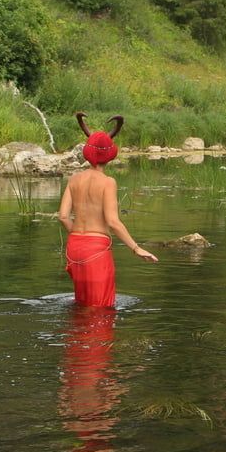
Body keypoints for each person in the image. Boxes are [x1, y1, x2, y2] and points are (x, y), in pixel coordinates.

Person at [59, 112, 157, 308]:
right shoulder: (108, 182)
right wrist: (136, 248)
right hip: (96, 248)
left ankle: (76, 339)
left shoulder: (74, 179)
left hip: (74, 246)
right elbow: (113, 221)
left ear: (87, 153)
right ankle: (100, 340)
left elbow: (62, 216)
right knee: (101, 308)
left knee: (82, 303)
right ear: (110, 155)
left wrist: (79, 235)